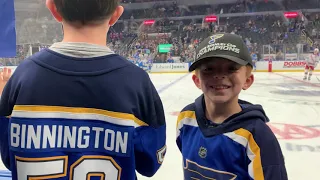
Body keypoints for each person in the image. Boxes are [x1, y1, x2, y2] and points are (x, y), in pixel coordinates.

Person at [0, 0, 167, 180]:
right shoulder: (137, 82)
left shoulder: (22, 78)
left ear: (53, 9)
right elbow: (150, 164)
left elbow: (11, 159)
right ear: (116, 15)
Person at [176, 33, 288, 180]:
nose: (219, 75)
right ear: (197, 80)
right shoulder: (186, 118)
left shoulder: (258, 137)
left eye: (231, 68)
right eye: (209, 69)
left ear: (247, 80)